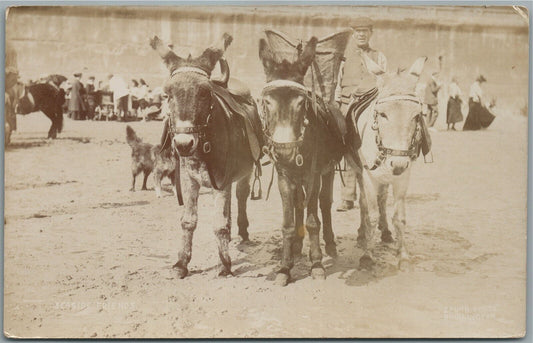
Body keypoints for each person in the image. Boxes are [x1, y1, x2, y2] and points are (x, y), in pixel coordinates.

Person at [334, 16, 387, 212]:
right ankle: (347, 197)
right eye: (358, 31)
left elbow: (383, 82)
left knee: (372, 149)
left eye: (365, 31)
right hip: (348, 106)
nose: (361, 34)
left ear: (371, 33)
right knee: (347, 150)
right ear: (353, 34)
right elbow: (339, 84)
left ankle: (371, 194)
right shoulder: (344, 57)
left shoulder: (379, 56)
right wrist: (338, 105)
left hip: (369, 105)